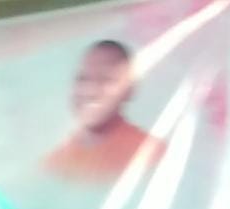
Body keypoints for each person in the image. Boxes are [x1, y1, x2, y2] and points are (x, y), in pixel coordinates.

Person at [43, 40, 165, 183]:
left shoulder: (152, 154)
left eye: (105, 80)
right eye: (82, 79)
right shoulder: (55, 163)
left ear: (130, 90)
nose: (89, 91)